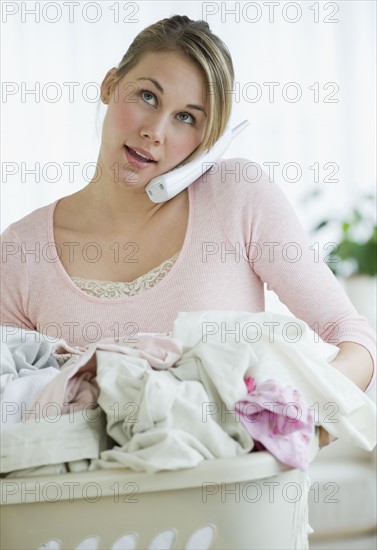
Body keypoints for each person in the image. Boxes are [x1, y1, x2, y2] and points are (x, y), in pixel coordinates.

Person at [1, 15, 375, 448]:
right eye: (147, 96)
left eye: (186, 118)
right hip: (87, 510)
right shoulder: (20, 252)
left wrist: (300, 413)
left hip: (233, 503)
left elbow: (354, 336)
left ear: (208, 140)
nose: (154, 132)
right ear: (109, 85)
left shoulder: (236, 196)